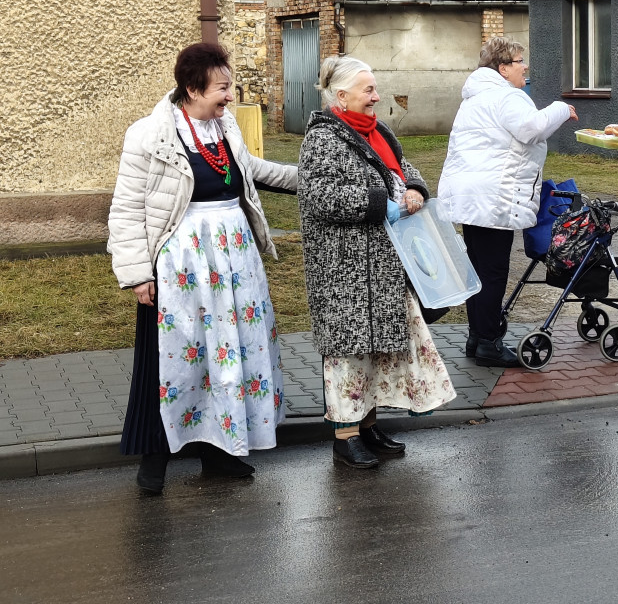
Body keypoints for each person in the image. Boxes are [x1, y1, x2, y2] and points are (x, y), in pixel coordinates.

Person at [108, 42, 298, 494]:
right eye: (222, 88)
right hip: (182, 265)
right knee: (174, 358)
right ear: (193, 89)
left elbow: (251, 170)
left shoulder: (223, 126)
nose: (231, 96)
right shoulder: (149, 135)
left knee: (230, 352)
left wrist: (311, 176)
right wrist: (137, 274)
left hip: (235, 260)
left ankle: (219, 450)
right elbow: (127, 209)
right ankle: (154, 458)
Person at [299, 55, 456, 469]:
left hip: (384, 265)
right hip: (344, 269)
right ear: (341, 95)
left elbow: (402, 166)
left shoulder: (377, 130)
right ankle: (345, 437)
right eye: (368, 89)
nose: (376, 96)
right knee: (348, 353)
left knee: (376, 350)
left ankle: (368, 426)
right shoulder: (322, 138)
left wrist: (414, 188)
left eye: (374, 88)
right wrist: (378, 203)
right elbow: (320, 196)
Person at [438, 36, 578, 368]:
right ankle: (488, 343)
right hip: (493, 198)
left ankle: (477, 337)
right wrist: (561, 107)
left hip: (470, 197)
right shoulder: (506, 96)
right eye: (519, 61)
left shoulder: (475, 98)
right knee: (493, 271)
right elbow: (532, 128)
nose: (525, 67)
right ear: (502, 68)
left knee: (478, 268)